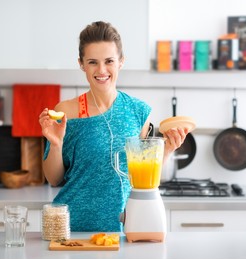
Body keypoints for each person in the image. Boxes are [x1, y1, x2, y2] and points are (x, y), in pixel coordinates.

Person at [39, 21, 188, 232]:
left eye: (109, 61)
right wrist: (55, 144)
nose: (101, 70)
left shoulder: (138, 111)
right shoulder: (67, 111)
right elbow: (54, 179)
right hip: (74, 230)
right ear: (81, 64)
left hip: (125, 228)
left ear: (121, 62)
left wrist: (168, 150)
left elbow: (143, 178)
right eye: (92, 62)